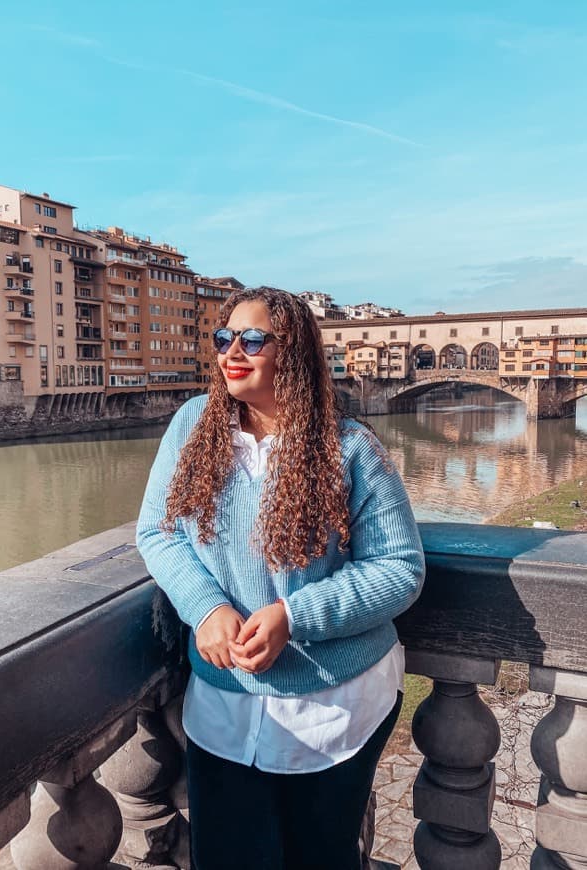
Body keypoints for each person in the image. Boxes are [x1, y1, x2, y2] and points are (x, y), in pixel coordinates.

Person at [136, 287, 425, 870]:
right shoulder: (192, 425)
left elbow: (400, 568)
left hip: (335, 707)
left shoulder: (351, 447)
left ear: (291, 350)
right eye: (223, 338)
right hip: (224, 705)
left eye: (252, 339)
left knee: (319, 857)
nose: (231, 351)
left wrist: (294, 616)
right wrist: (206, 607)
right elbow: (157, 533)